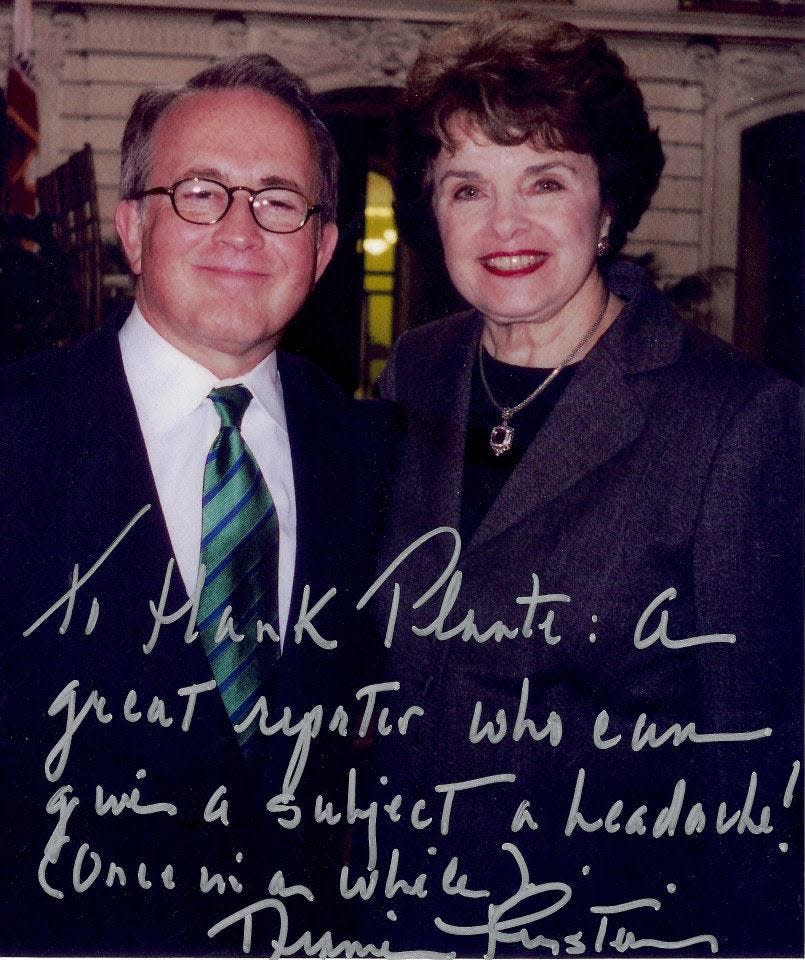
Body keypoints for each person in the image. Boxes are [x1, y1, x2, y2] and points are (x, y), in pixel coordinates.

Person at [365, 11, 803, 956]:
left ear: (606, 207)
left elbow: (757, 778)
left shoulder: (737, 423)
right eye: (466, 187)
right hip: (397, 918)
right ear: (428, 210)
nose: (505, 224)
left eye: (546, 180)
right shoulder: (416, 372)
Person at [0, 55, 391, 954]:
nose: (242, 230)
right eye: (201, 192)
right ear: (133, 229)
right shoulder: (16, 436)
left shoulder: (375, 458)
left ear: (323, 248)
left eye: (278, 199)